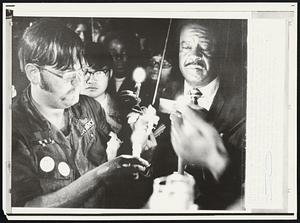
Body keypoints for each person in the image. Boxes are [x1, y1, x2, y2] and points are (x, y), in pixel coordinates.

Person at [11, 19, 150, 208]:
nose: (79, 84)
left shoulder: (89, 106)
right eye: (68, 75)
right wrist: (101, 175)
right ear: (34, 73)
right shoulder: (12, 129)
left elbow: (114, 154)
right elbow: (25, 209)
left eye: (81, 72)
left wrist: (140, 145)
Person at [145, 19, 246, 210]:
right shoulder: (158, 93)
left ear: (219, 52)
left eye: (205, 47)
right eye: (186, 47)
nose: (194, 55)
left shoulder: (242, 104)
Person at [81, 47, 122, 134]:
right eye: (85, 72)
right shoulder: (66, 111)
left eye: (99, 72)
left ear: (110, 74)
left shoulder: (123, 111)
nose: (91, 80)